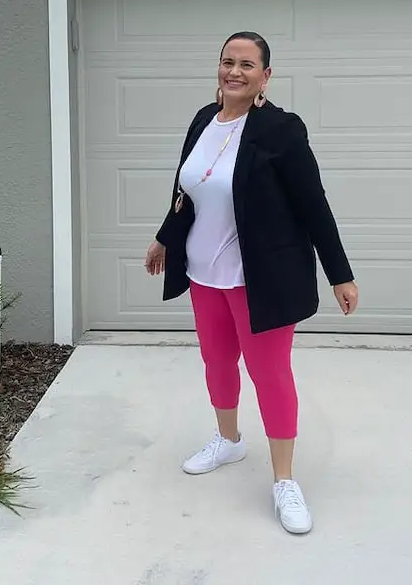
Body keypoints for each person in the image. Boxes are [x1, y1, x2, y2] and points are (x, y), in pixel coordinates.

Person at [145, 31, 358, 535]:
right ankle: (229, 440)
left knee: (270, 374)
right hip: (203, 274)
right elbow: (187, 192)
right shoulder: (203, 119)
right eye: (227, 62)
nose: (234, 71)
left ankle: (284, 479)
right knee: (217, 361)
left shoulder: (281, 129)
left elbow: (313, 204)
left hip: (259, 278)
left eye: (246, 64)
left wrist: (339, 273)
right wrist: (163, 239)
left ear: (265, 75)